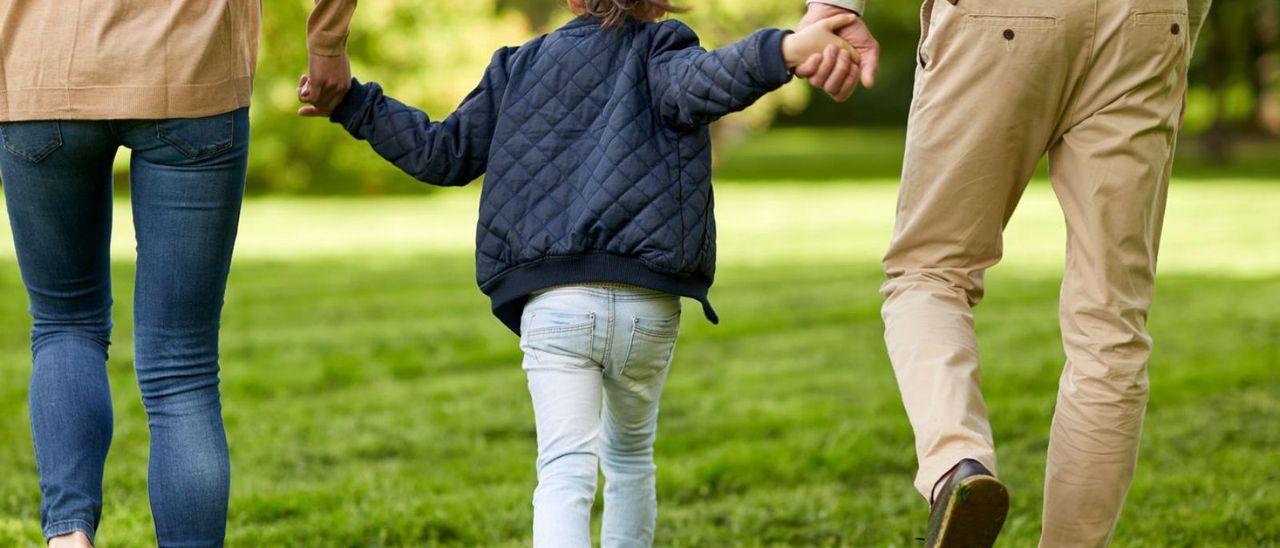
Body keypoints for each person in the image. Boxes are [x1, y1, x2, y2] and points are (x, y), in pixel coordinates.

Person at [300, 1, 861, 545]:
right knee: (631, 459)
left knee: (564, 470)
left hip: (555, 305)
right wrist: (786, 49)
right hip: (647, 305)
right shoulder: (665, 49)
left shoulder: (516, 65)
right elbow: (716, 77)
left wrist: (354, 105)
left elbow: (442, 152)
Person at [798, 0, 1212, 546]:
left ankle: (957, 463)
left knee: (930, 272)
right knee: (1111, 328)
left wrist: (834, 5)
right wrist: (1177, 41)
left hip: (1002, 16)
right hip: (1146, 23)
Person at [0, 1, 357, 546]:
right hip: (193, 72)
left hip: (40, 71)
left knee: (64, 324)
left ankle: (68, 537)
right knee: (181, 370)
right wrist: (327, 43)